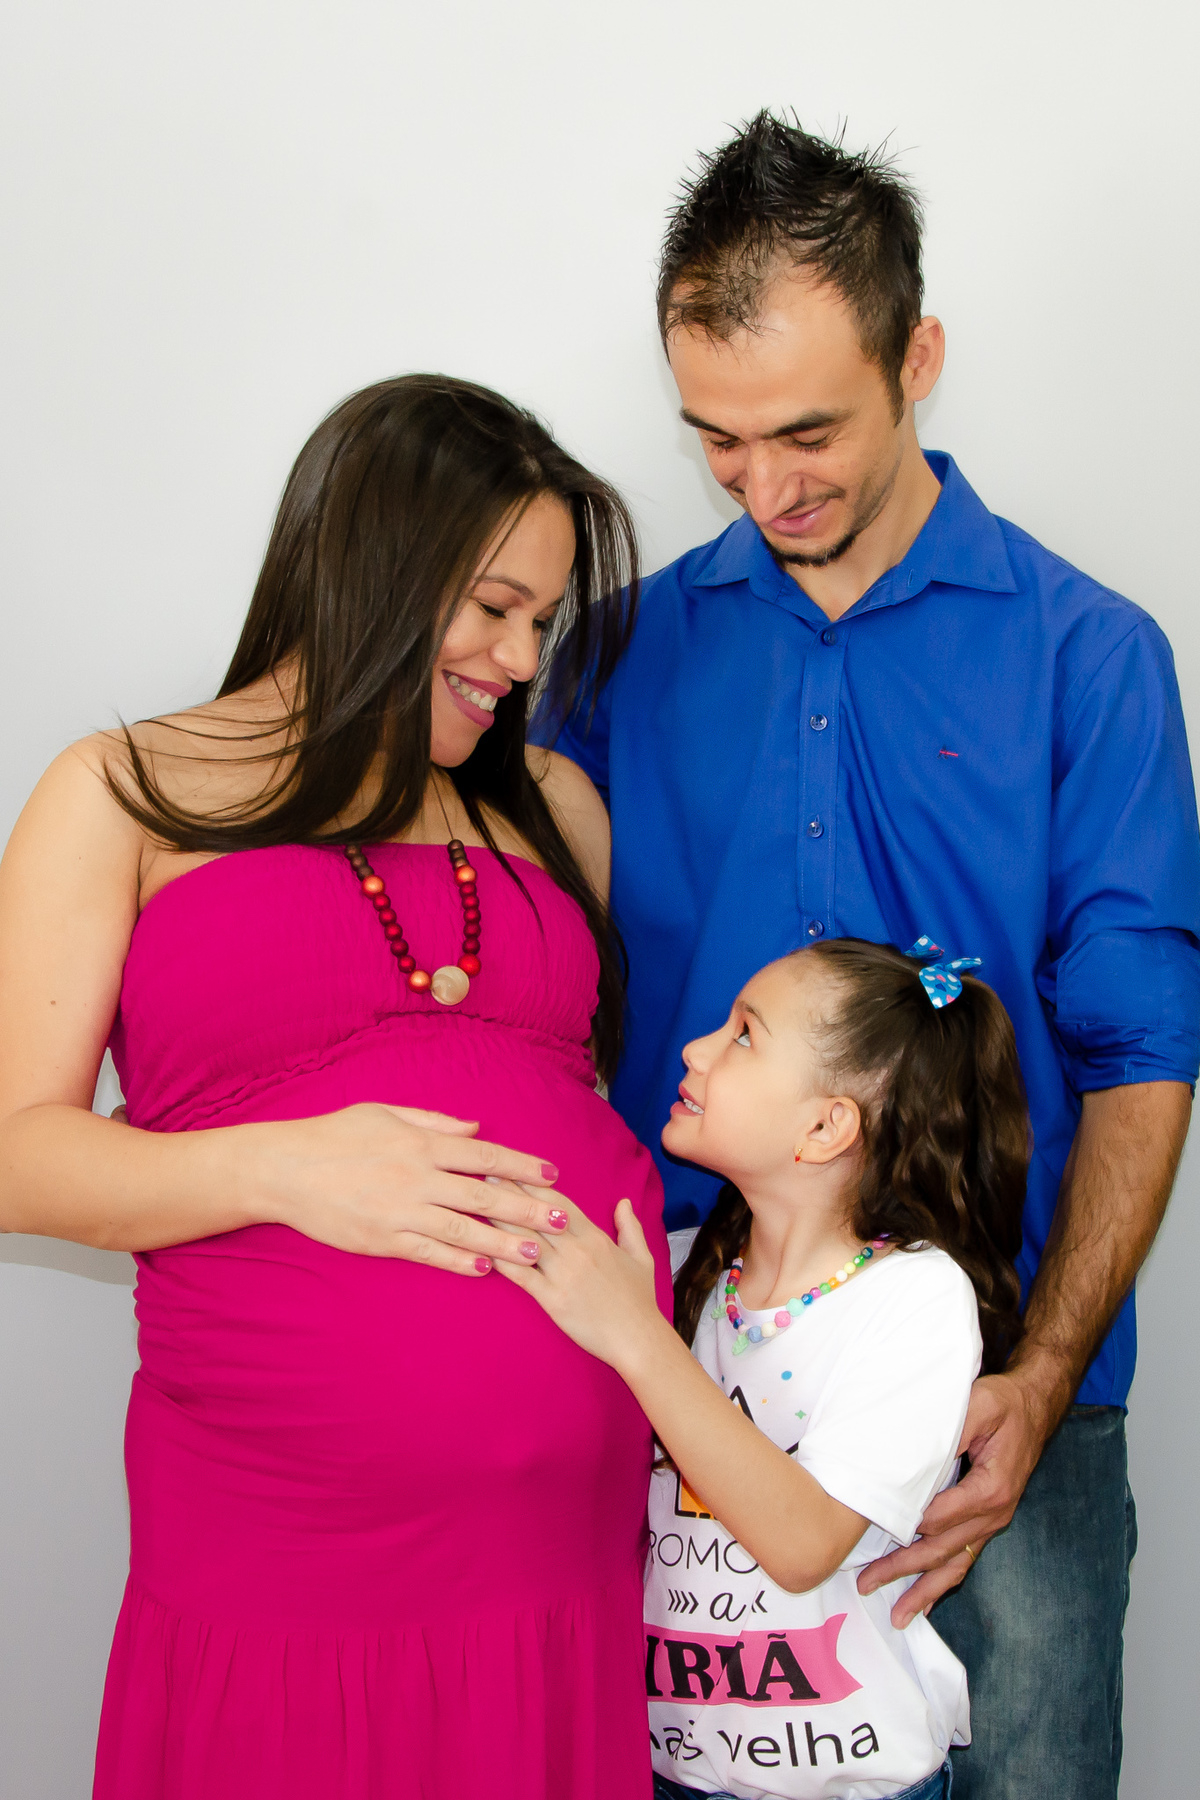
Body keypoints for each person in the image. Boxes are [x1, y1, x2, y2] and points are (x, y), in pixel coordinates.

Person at [539, 115, 1200, 1798]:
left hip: (1004, 1413)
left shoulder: (1093, 659)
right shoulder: (612, 659)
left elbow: (1141, 1048)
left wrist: (1043, 1378)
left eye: (810, 432)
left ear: (920, 358)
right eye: (718, 443)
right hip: (701, 1408)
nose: (766, 491)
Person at [0, 373, 672, 1800]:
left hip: (555, 1573)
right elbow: (14, 1153)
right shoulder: (122, 792)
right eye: (492, 605)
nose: (517, 655)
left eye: (542, 622)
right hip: (283, 1572)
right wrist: (281, 1168)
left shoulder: (555, 809)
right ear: (374, 561)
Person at [489, 936, 1030, 1799]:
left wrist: (635, 1334)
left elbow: (804, 1542)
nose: (697, 1049)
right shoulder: (676, 1273)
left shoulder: (916, 1299)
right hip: (666, 1771)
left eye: (744, 1033)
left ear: (824, 1126)